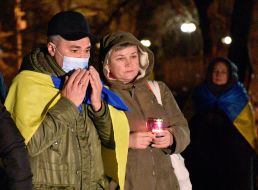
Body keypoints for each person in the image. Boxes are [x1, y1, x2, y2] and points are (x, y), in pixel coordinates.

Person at [5, 11, 115, 189]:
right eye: (74, 50)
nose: (82, 57)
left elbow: (111, 142)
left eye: (86, 50)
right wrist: (68, 104)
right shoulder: (28, 84)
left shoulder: (90, 84)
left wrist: (97, 106)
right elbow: (22, 150)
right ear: (51, 48)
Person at [99, 31, 190, 190]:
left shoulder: (158, 89)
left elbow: (182, 127)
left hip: (167, 184)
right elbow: (91, 140)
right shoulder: (100, 96)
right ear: (107, 64)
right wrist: (126, 141)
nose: (129, 63)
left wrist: (172, 137)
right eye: (120, 58)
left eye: (133, 56)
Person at [182, 57, 257, 190]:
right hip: (201, 159)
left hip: (233, 162)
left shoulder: (239, 97)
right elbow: (185, 121)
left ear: (230, 75)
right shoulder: (198, 93)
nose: (218, 75)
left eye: (223, 72)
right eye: (215, 71)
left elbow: (247, 131)